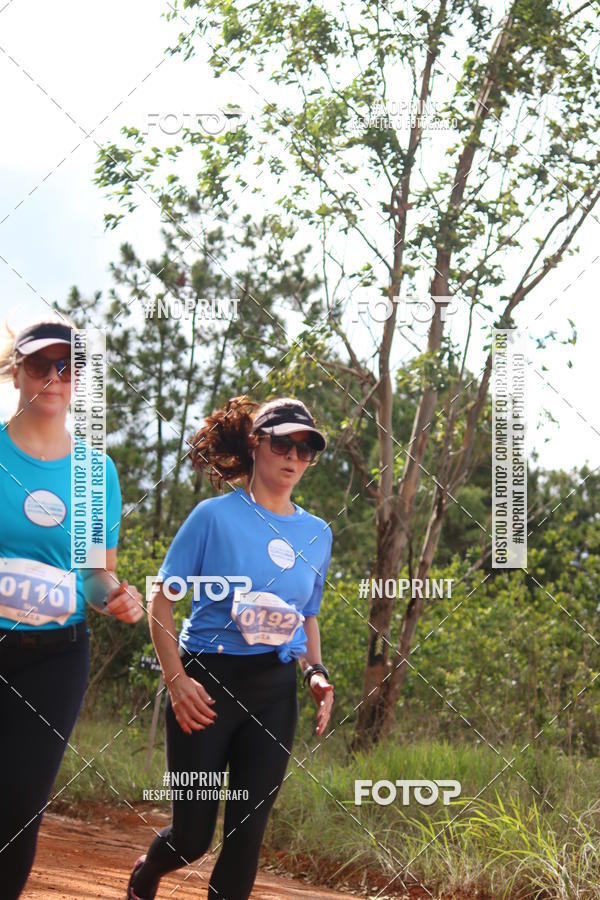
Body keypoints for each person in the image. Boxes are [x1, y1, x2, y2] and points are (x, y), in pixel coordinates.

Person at [127, 395, 334, 900]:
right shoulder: (212, 517)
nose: (293, 457)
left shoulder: (317, 533)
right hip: (207, 685)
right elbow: (162, 599)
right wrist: (176, 680)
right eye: (282, 442)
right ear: (256, 443)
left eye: (306, 449)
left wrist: (316, 672)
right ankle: (150, 870)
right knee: (192, 839)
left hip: (274, 689)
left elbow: (305, 616)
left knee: (246, 838)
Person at [0, 319, 144, 899]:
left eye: (68, 367)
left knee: (18, 808)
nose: (54, 377)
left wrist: (114, 596)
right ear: (17, 370)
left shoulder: (94, 473)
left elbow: (91, 574)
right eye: (41, 364)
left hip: (56, 661)